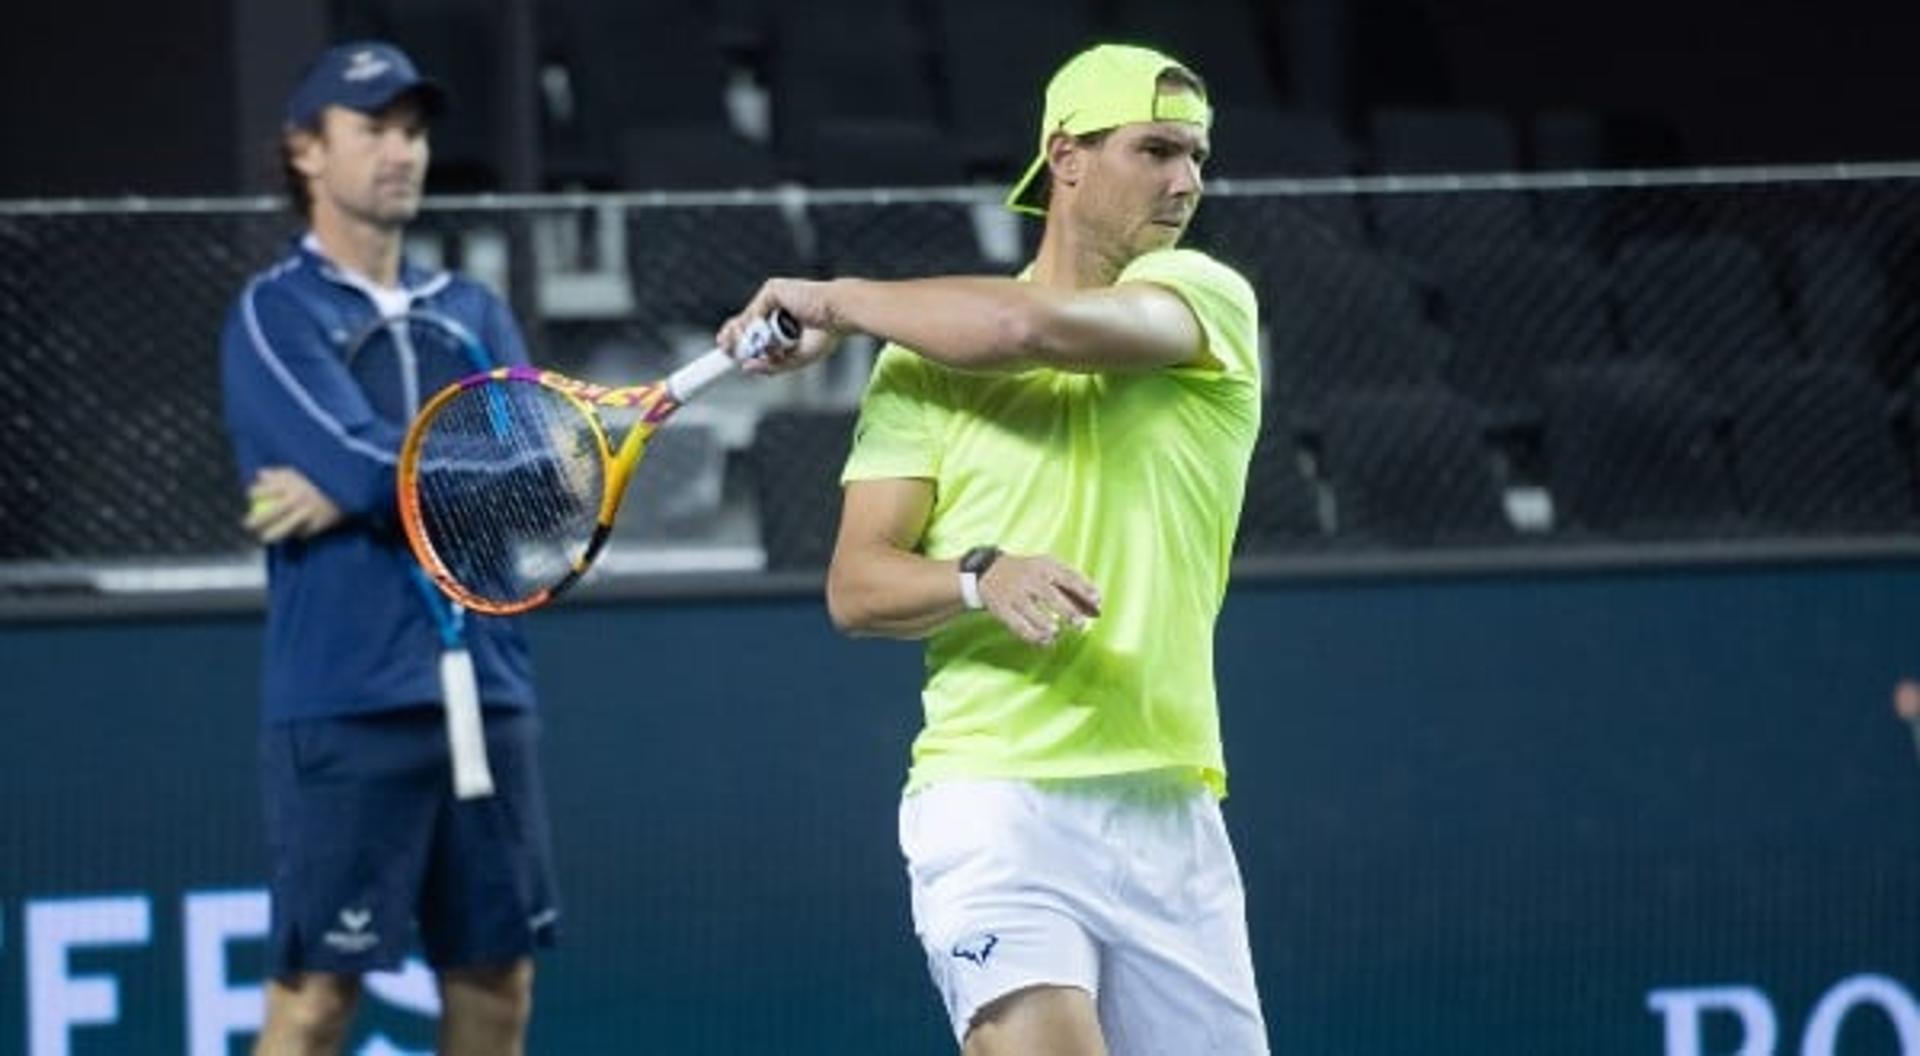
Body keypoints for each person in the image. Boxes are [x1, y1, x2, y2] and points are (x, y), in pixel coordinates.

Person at [721, 42, 1269, 1056]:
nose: (1187, 181)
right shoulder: (919, 370)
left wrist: (835, 299)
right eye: (1155, 150)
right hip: (996, 805)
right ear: (1067, 158)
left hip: (1170, 809)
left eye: (1196, 156)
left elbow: (1022, 326)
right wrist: (978, 574)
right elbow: (858, 586)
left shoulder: (1204, 299)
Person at [219, 42, 557, 1056]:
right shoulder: (274, 313)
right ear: (307, 153)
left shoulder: (474, 312)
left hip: (487, 687)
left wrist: (365, 491)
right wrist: (435, 483)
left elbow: (543, 485)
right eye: (373, 128)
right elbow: (377, 468)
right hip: (348, 701)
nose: (402, 151)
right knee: (317, 999)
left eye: (412, 130)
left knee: (497, 983)